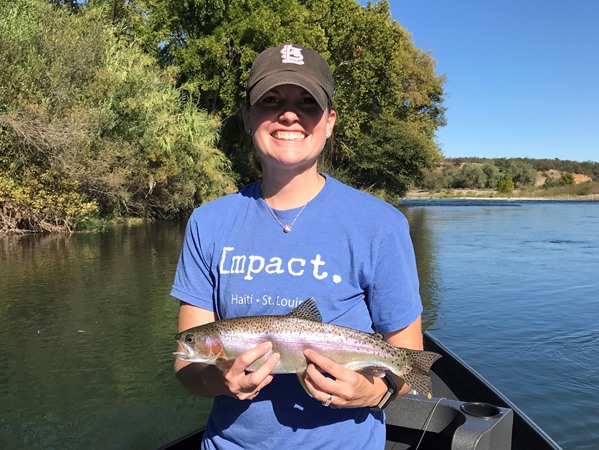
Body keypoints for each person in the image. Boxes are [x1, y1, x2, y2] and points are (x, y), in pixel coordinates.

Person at [171, 43, 424, 450]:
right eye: (271, 100)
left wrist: (374, 393)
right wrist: (220, 379)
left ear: (330, 122)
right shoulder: (208, 222)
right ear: (248, 117)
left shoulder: (382, 225)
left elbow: (409, 363)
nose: (289, 114)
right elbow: (187, 365)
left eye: (307, 102)